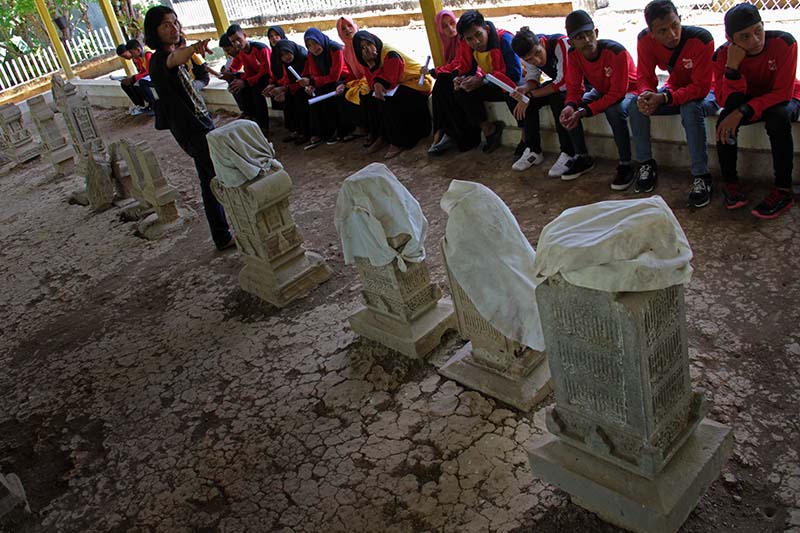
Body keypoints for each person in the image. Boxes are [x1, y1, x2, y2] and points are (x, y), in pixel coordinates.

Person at [144, 5, 233, 250]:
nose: (174, 28)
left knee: (208, 181)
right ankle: (242, 229)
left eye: (175, 22)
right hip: (193, 131)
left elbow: (191, 81)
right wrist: (194, 48)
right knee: (226, 177)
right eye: (166, 25)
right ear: (155, 30)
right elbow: (175, 59)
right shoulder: (161, 59)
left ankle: (222, 235)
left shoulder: (173, 55)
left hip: (199, 123)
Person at [713, 3, 800, 218]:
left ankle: (783, 190)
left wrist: (743, 111)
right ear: (730, 37)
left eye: (758, 31)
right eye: (744, 37)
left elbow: (782, 93)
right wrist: (732, 69)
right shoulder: (722, 55)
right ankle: (731, 184)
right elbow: (725, 100)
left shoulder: (784, 43)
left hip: (784, 98)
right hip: (748, 100)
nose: (755, 40)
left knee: (778, 118)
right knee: (724, 121)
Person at [630, 0, 717, 203]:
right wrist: (646, 94)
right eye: (662, 31)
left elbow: (701, 88)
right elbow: (644, 76)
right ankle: (646, 164)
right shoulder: (644, 40)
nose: (672, 35)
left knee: (690, 108)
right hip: (674, 90)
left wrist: (665, 97)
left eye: (675, 26)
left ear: (681, 20)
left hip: (709, 92)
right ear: (651, 32)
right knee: (636, 105)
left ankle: (701, 176)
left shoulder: (701, 39)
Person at [560, 10, 637, 182]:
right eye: (579, 37)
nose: (587, 40)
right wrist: (571, 106)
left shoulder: (616, 52)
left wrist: (585, 110)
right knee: (566, 110)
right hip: (601, 90)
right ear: (571, 42)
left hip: (630, 90)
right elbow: (574, 88)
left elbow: (618, 94)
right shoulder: (573, 55)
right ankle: (582, 156)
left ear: (596, 33)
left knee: (614, 110)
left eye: (589, 34)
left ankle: (626, 163)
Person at [450, 10, 522, 154]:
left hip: (515, 83)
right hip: (492, 82)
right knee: (461, 91)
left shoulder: (504, 39)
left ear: (487, 29)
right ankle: (489, 130)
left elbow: (514, 74)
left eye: (478, 34)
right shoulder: (471, 47)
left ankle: (526, 138)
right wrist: (461, 80)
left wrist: (482, 80)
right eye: (469, 39)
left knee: (512, 92)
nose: (476, 42)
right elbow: (469, 70)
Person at [353, 30, 433, 159]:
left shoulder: (390, 54)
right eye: (362, 47)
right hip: (396, 84)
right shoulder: (367, 59)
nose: (367, 49)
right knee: (369, 98)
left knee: (388, 100)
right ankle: (382, 135)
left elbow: (391, 79)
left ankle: (399, 141)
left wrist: (377, 81)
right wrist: (372, 66)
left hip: (416, 83)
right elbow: (370, 81)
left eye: (369, 43)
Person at [509, 27, 574, 177]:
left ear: (541, 43)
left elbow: (564, 82)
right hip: (560, 83)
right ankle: (533, 150)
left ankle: (568, 152)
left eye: (537, 53)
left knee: (557, 99)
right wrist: (524, 90)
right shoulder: (530, 53)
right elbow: (533, 78)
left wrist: (531, 94)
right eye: (529, 59)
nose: (536, 60)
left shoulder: (561, 43)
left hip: (581, 85)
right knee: (525, 100)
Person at [424, 9, 479, 155]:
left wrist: (436, 71)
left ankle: (444, 133)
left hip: (473, 71)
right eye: (445, 26)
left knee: (444, 83)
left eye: (452, 23)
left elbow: (460, 63)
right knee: (442, 86)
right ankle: (444, 132)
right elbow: (455, 63)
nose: (450, 29)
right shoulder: (447, 44)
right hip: (461, 71)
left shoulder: (464, 37)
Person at [299, 28, 351, 149]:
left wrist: (313, 81)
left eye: (315, 43)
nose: (314, 48)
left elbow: (335, 75)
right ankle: (319, 132)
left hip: (342, 79)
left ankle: (339, 131)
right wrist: (311, 85)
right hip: (324, 80)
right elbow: (314, 73)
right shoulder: (311, 54)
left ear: (320, 40)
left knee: (333, 93)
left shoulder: (334, 48)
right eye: (309, 45)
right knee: (314, 96)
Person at [224, 24, 272, 133]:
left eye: (238, 39)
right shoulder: (241, 52)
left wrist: (246, 81)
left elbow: (266, 71)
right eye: (233, 42)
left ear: (244, 36)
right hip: (254, 78)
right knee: (235, 82)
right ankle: (249, 115)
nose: (236, 43)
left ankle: (263, 126)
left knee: (256, 91)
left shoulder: (261, 49)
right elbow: (241, 67)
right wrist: (229, 72)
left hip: (268, 78)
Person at [265, 39, 311, 144]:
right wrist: (277, 87)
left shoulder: (302, 57)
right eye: (282, 55)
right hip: (294, 87)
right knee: (288, 102)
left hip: (307, 87)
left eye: (288, 53)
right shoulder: (285, 64)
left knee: (299, 100)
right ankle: (295, 130)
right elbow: (285, 78)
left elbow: (305, 78)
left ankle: (305, 132)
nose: (286, 57)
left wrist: (285, 89)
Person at [335, 16, 369, 141]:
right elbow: (353, 74)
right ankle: (356, 127)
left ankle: (368, 129)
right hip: (361, 80)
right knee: (342, 93)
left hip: (372, 78)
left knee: (360, 93)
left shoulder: (364, 43)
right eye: (343, 28)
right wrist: (344, 83)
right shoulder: (345, 50)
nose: (347, 30)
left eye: (349, 26)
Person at [119, 39, 155, 116]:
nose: (131, 55)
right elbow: (142, 71)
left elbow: (149, 72)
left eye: (131, 52)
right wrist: (133, 78)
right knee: (128, 83)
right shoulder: (138, 57)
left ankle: (154, 106)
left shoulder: (147, 54)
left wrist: (134, 78)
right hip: (150, 77)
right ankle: (141, 105)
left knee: (141, 82)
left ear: (138, 50)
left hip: (157, 76)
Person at [266, 25, 286, 112]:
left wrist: (278, 85)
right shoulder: (273, 54)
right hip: (282, 82)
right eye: (271, 36)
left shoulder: (288, 50)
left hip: (292, 83)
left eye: (277, 35)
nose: (274, 38)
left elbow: (288, 74)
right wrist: (271, 84)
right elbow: (274, 73)